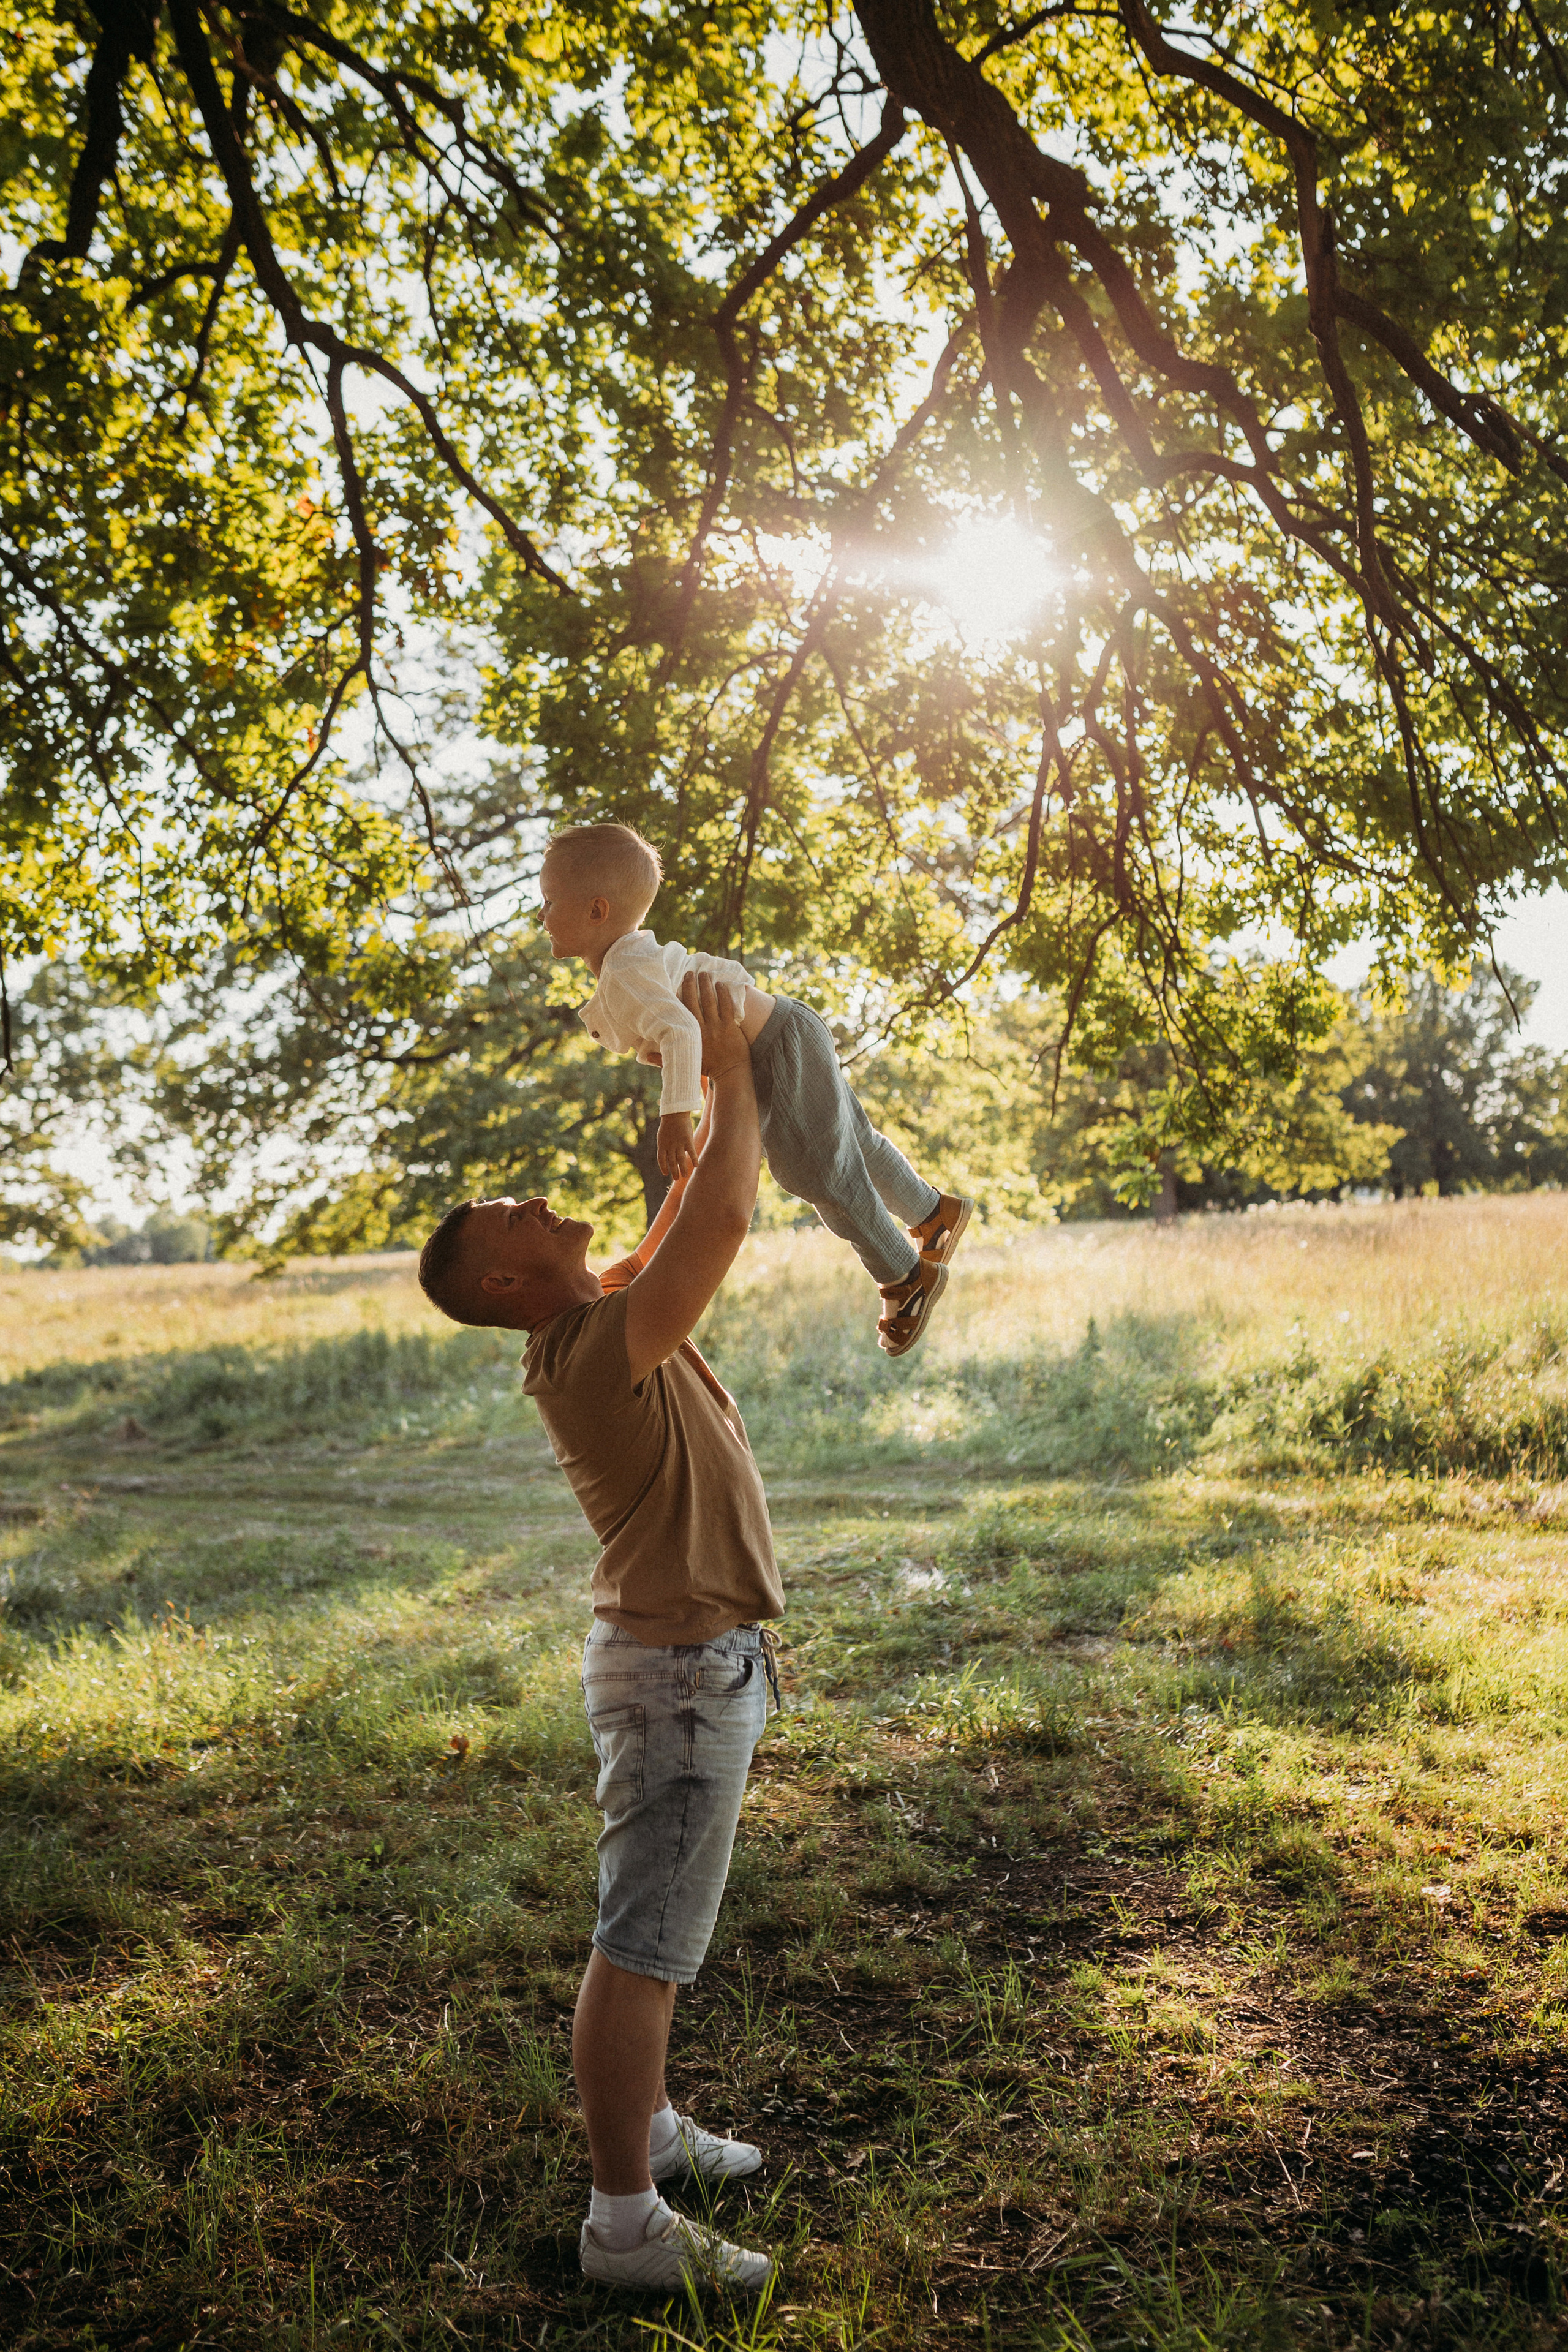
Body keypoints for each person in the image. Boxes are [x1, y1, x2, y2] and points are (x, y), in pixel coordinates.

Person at [416, 973, 780, 2296]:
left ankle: (653, 2127)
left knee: (655, 1932)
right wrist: (737, 1069)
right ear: (508, 1277)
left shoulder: (591, 1310)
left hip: (691, 1664)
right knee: (639, 1948)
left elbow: (677, 1214)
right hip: (677, 1677)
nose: (533, 1194)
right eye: (514, 1214)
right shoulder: (586, 1350)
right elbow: (725, 1219)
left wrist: (682, 1120)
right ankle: (622, 2224)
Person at [538, 820, 974, 1357]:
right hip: (786, 1029)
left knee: (818, 1171)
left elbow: (678, 1030)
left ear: (597, 910)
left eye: (550, 902)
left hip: (774, 1047)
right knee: (855, 1141)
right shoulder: (635, 962)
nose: (543, 917)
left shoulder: (624, 973)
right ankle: (933, 1213)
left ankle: (905, 1277)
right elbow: (683, 1031)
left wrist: (675, 1115)